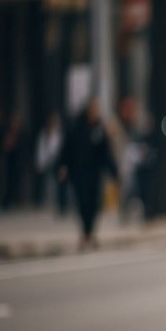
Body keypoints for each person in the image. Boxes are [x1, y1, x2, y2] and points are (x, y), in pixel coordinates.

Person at [57, 98, 119, 250]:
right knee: (82, 203)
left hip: (94, 174)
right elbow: (66, 149)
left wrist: (114, 171)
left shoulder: (98, 129)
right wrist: (61, 166)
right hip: (79, 173)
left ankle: (90, 233)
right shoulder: (77, 127)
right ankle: (85, 233)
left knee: (94, 204)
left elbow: (105, 152)